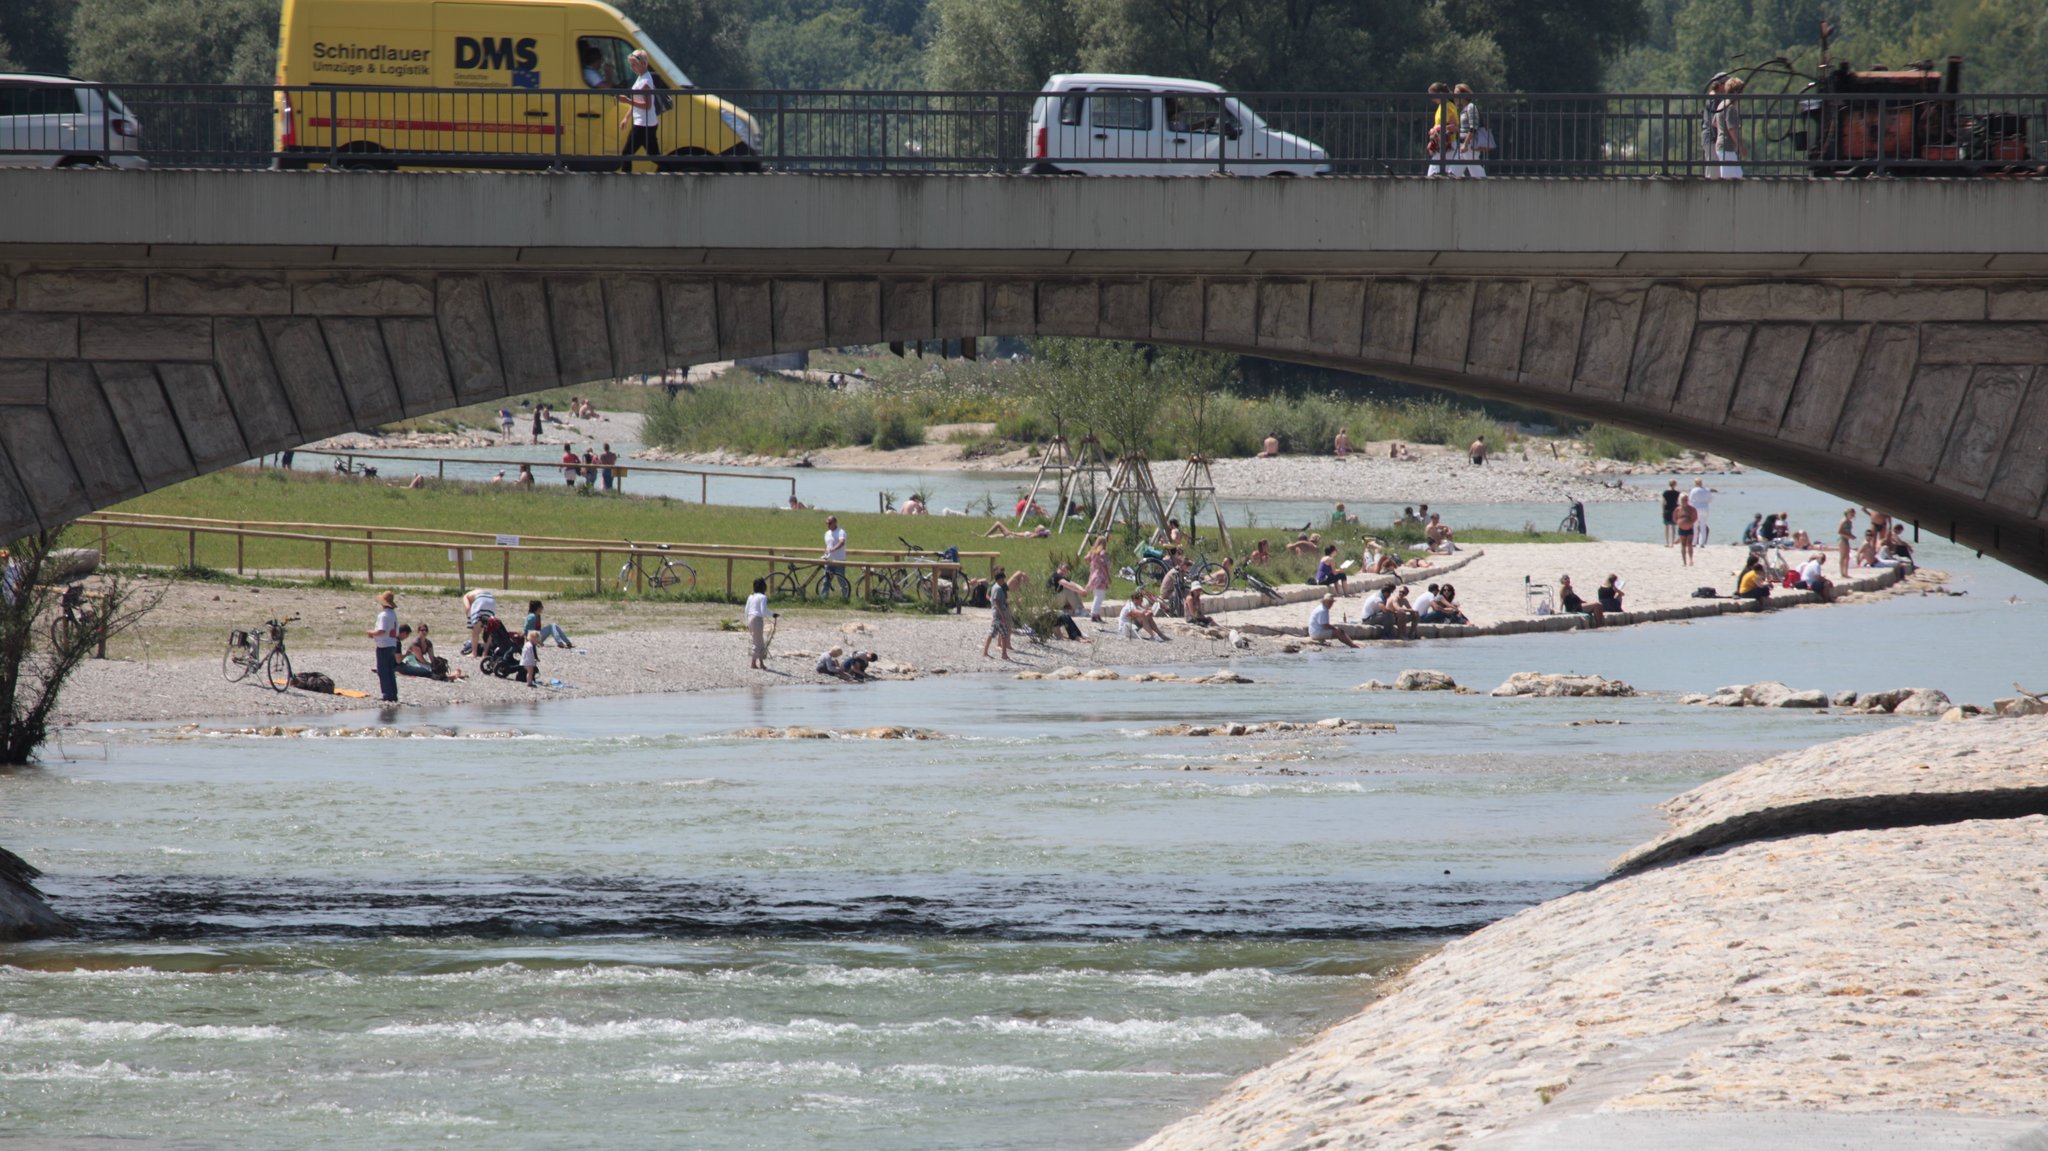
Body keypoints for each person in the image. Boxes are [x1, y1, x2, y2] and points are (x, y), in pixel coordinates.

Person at [617, 49, 661, 166]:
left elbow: (647, 105)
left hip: (643, 125)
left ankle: (626, 181)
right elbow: (638, 101)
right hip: (646, 123)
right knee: (654, 156)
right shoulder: (641, 77)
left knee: (627, 154)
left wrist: (627, 100)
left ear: (643, 64)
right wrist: (626, 118)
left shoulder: (645, 82)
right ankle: (671, 171)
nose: (632, 68)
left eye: (634, 65)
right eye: (631, 65)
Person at [367, 590, 400, 702]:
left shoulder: (383, 615)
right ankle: (393, 694)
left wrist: (371, 633)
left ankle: (386, 693)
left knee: (383, 670)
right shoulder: (393, 615)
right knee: (390, 670)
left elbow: (381, 631)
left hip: (384, 646)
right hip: (392, 644)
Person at [1451, 84, 1487, 178]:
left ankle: (1485, 186)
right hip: (1463, 144)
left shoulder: (1471, 107)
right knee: (1453, 172)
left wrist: (1466, 144)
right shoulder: (1464, 109)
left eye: (1457, 94)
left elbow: (1473, 127)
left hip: (1469, 144)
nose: (1455, 96)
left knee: (1475, 169)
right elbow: (1466, 128)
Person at [1713, 75, 1746, 178]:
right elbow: (1731, 129)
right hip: (1727, 147)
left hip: (1721, 145)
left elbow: (1714, 122)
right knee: (1732, 177)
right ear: (1736, 92)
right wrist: (1740, 146)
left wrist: (1722, 131)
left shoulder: (1722, 104)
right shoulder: (1731, 107)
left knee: (1734, 175)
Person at [981, 565, 1013, 661]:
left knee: (993, 633)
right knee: (1004, 634)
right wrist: (1002, 615)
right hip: (998, 615)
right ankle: (1003, 654)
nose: (1004, 581)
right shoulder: (998, 588)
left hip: (996, 614)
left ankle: (985, 652)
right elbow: (996, 602)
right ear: (999, 579)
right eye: (1003, 579)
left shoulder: (995, 587)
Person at [744, 578, 775, 670]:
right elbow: (763, 611)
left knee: (759, 640)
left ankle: (761, 663)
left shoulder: (751, 597)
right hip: (757, 619)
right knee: (758, 642)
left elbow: (746, 610)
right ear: (763, 587)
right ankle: (753, 663)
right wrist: (773, 615)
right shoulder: (763, 597)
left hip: (750, 618)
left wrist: (746, 622)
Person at [1700, 73, 1727, 175]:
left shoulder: (1714, 97)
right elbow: (1714, 121)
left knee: (1716, 172)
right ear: (1720, 85)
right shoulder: (1714, 98)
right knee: (1713, 173)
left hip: (1712, 137)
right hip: (1712, 138)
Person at [1426, 81, 1454, 177]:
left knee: (1433, 173)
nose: (1432, 99)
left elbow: (1454, 125)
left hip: (1447, 143)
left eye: (1433, 96)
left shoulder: (1448, 106)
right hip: (1440, 143)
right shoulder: (1441, 106)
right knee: (1437, 172)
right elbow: (1439, 123)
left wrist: (1437, 129)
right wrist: (1433, 129)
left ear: (1441, 94)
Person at [462, 587, 498, 657]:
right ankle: (485, 653)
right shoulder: (477, 592)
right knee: (490, 627)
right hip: (492, 600)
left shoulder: (466, 596)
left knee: (475, 631)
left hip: (481, 600)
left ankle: (474, 652)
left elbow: (467, 608)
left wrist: (469, 617)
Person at [1085, 541, 1111, 622]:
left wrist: (1092, 564)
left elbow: (1086, 558)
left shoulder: (1093, 552)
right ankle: (1094, 614)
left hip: (1094, 575)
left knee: (1096, 595)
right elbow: (1104, 565)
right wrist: (1108, 576)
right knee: (1100, 596)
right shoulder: (1102, 553)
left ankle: (1097, 614)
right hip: (1101, 576)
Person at [1687, 478, 1717, 546]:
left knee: (1695, 526)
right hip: (1705, 508)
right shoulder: (1706, 490)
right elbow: (1710, 499)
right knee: (1703, 525)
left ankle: (1694, 542)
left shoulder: (1693, 490)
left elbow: (1690, 500)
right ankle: (1702, 543)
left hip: (1696, 508)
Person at [1673, 493, 1697, 567]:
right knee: (1683, 545)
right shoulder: (1678, 509)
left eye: (1686, 499)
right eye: (1683, 500)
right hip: (1681, 528)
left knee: (1689, 544)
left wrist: (1690, 523)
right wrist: (1679, 523)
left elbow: (1695, 517)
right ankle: (1684, 562)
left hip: (1690, 528)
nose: (1685, 501)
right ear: (1680, 500)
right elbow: (1675, 518)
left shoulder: (1692, 508)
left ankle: (1691, 560)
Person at [822, 514, 847, 585]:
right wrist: (826, 552)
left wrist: (833, 549)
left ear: (835, 522)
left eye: (830, 523)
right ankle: (824, 596)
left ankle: (845, 596)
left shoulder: (841, 532)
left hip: (839, 560)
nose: (828, 525)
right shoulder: (827, 533)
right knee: (826, 580)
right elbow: (828, 545)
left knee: (841, 580)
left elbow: (841, 542)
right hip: (829, 560)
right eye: (827, 523)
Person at [1836, 507, 1856, 579]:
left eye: (1853, 514)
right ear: (1847, 513)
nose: (1852, 515)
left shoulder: (1850, 522)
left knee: (1847, 556)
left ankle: (1846, 572)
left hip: (1847, 540)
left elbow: (1849, 532)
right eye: (1851, 514)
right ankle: (1842, 573)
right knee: (1843, 556)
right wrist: (1849, 536)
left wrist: (1852, 536)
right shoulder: (1843, 521)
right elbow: (1839, 532)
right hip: (1842, 539)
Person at [1661, 480, 1681, 546]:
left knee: (1666, 527)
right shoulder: (1677, 493)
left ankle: (1667, 542)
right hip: (1675, 510)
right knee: (1673, 527)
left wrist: (1663, 511)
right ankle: (1672, 543)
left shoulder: (1665, 493)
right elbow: (1679, 502)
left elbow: (1663, 503)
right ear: (1675, 485)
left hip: (1667, 510)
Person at [984, 521, 1051, 539]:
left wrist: (1013, 533)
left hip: (1012, 536)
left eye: (1037, 527)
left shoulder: (1034, 535)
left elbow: (1023, 537)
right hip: (1013, 535)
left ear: (1038, 530)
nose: (1035, 527)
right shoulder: (1035, 535)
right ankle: (984, 537)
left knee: (998, 523)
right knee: (995, 536)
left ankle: (983, 536)